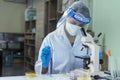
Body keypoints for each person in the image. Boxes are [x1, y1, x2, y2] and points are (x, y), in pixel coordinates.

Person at [35, 1, 98, 74]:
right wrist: (44, 66)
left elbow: (94, 69)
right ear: (66, 17)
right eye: (73, 23)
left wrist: (96, 60)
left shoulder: (88, 38)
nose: (76, 27)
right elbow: (40, 73)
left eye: (81, 25)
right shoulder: (50, 39)